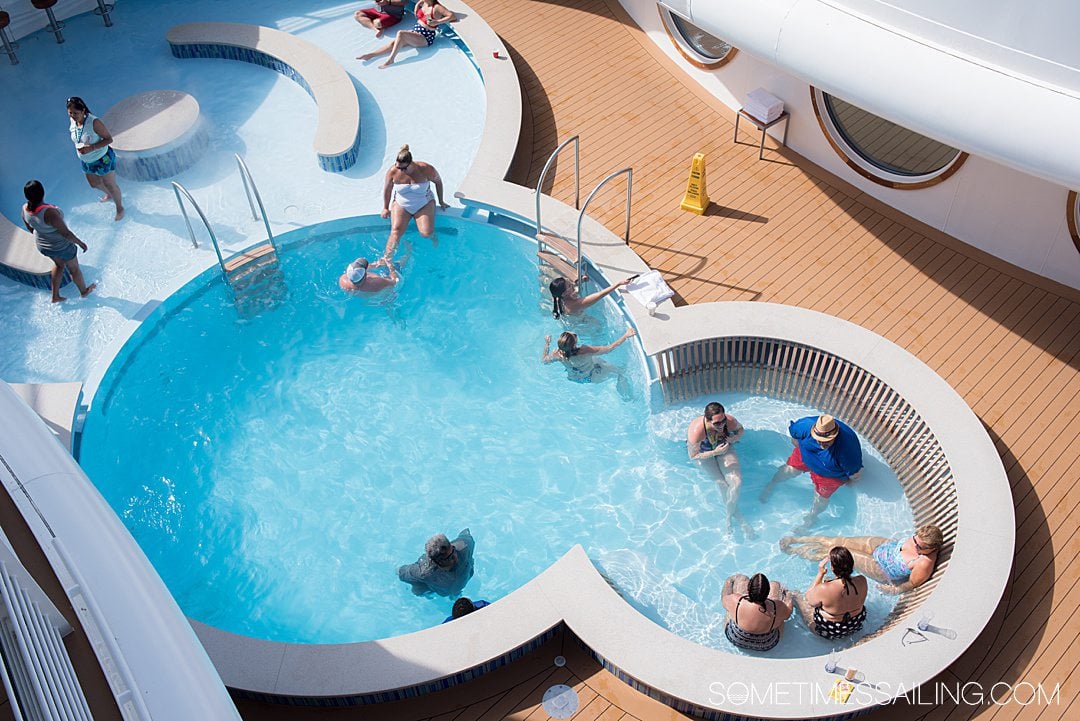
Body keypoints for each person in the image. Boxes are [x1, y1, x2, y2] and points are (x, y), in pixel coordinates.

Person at [759, 414, 863, 531]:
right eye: (819, 439)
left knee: (820, 499)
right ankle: (772, 484)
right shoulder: (804, 426)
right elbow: (794, 439)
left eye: (827, 441)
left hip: (829, 475)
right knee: (786, 471)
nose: (822, 444)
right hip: (805, 455)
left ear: (835, 436)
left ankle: (812, 518)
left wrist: (848, 482)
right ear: (813, 430)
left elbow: (855, 475)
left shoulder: (848, 450)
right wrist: (806, 452)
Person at [780, 524, 944, 594]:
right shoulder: (921, 540)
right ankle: (797, 540)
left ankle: (796, 552)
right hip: (884, 547)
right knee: (839, 540)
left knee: (836, 552)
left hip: (880, 567)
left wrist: (894, 590)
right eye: (914, 540)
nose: (914, 545)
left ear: (932, 549)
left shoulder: (924, 562)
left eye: (920, 547)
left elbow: (912, 583)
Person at [22, 180, 96, 303]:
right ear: (42, 193)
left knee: (59, 265)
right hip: (62, 247)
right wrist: (80, 243)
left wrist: (44, 234)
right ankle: (84, 291)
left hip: (43, 246)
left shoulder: (24, 208)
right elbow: (66, 233)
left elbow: (29, 227)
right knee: (74, 269)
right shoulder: (49, 213)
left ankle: (55, 296)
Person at [686, 402, 751, 535]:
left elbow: (741, 430)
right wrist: (715, 453)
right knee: (721, 483)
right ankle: (736, 516)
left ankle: (729, 514)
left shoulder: (730, 421)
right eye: (717, 423)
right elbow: (693, 456)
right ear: (707, 420)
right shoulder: (697, 430)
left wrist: (735, 438)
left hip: (724, 447)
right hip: (704, 453)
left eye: (723, 421)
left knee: (737, 482)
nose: (721, 425)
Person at [378, 145, 448, 261]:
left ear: (411, 163)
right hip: (402, 204)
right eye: (398, 167)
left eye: (403, 168)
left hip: (424, 203)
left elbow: (438, 182)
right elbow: (387, 189)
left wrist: (441, 201)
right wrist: (385, 207)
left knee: (426, 233)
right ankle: (386, 259)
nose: (400, 170)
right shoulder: (393, 171)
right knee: (395, 232)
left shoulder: (426, 169)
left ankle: (435, 241)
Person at [791, 546, 868, 640]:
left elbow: (809, 599)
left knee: (795, 595)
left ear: (832, 567)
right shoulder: (862, 580)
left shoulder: (824, 589)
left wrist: (820, 573)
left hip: (831, 632)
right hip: (855, 626)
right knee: (828, 583)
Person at [66, 97, 124, 221]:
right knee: (94, 184)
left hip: (102, 159)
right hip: (86, 160)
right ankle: (109, 194)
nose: (73, 116)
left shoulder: (94, 122)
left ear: (83, 111)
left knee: (111, 185)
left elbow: (109, 139)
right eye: (70, 113)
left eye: (75, 113)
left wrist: (91, 148)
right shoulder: (72, 121)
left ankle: (120, 208)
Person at [356, 0, 455, 68]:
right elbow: (420, 2)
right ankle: (371, 55)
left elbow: (451, 16)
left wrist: (437, 22)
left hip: (425, 37)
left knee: (401, 34)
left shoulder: (437, 7)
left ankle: (391, 59)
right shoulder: (424, 2)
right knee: (393, 43)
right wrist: (417, 5)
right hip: (417, 32)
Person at [720, 572, 793, 652]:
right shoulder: (776, 607)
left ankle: (733, 580)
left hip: (737, 638)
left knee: (741, 578)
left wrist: (729, 582)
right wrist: (788, 595)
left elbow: (724, 600)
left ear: (748, 590)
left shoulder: (737, 601)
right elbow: (788, 614)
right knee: (775, 585)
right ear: (768, 592)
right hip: (766, 644)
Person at [542, 327, 636, 384]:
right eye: (575, 335)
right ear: (574, 344)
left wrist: (547, 344)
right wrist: (626, 335)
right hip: (592, 376)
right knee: (621, 373)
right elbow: (609, 349)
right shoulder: (585, 351)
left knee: (595, 359)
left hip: (575, 378)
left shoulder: (558, 354)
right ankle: (626, 395)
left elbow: (544, 360)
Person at [398, 529, 475, 597]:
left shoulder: (465, 546)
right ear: (436, 562)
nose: (455, 557)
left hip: (460, 582)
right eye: (449, 557)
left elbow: (466, 533)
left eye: (453, 551)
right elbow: (401, 573)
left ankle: (455, 594)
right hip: (440, 590)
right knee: (417, 590)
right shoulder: (425, 572)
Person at [549, 275, 633, 319]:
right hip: (585, 326)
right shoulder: (574, 305)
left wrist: (580, 281)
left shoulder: (557, 297)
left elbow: (572, 286)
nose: (572, 284)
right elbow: (600, 295)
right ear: (564, 294)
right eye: (569, 285)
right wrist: (618, 284)